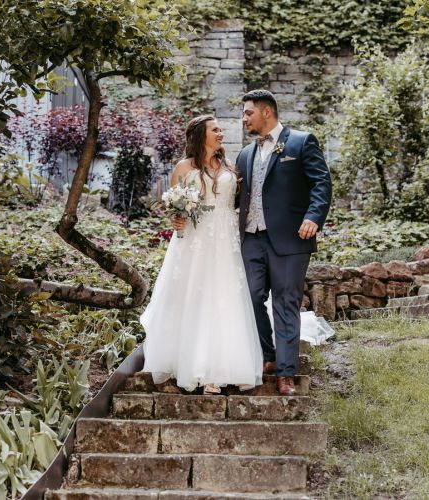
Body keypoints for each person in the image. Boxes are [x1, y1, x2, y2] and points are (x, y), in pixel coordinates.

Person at [140, 115, 263, 395]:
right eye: (215, 130)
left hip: (226, 238)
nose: (221, 133)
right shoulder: (185, 166)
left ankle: (228, 365)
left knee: (225, 297)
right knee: (197, 295)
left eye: (220, 129)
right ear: (200, 135)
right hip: (196, 238)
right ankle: (198, 366)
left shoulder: (229, 164)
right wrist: (176, 218)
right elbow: (172, 203)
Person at [236, 89, 332, 396]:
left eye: (248, 112)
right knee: (249, 298)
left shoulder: (301, 142)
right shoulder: (244, 154)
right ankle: (268, 355)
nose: (243, 119)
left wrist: (313, 216)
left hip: (291, 238)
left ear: (266, 112)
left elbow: (321, 182)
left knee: (286, 303)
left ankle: (287, 373)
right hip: (251, 238)